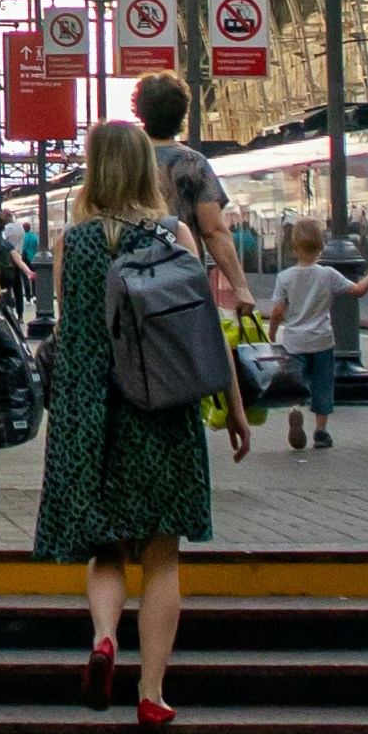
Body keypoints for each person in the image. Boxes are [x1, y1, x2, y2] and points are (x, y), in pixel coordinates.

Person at [34, 118, 214, 724]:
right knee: (162, 554)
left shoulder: (73, 242)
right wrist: (234, 409)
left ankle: (104, 636)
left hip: (90, 415)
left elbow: (70, 331)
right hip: (161, 407)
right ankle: (152, 694)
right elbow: (200, 333)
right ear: (145, 169)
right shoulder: (173, 235)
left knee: (106, 549)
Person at [130, 73, 256, 460]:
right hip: (182, 284)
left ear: (139, 111)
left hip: (130, 283)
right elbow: (215, 231)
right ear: (184, 114)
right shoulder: (193, 165)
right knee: (189, 360)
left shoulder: (128, 160)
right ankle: (183, 444)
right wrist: (240, 286)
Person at [266, 218, 353, 449]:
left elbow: (277, 311)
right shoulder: (328, 274)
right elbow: (358, 290)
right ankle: (321, 432)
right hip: (322, 341)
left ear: (293, 247)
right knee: (323, 384)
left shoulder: (284, 277)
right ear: (322, 246)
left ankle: (296, 408)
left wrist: (272, 334)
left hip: (294, 342)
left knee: (298, 381)